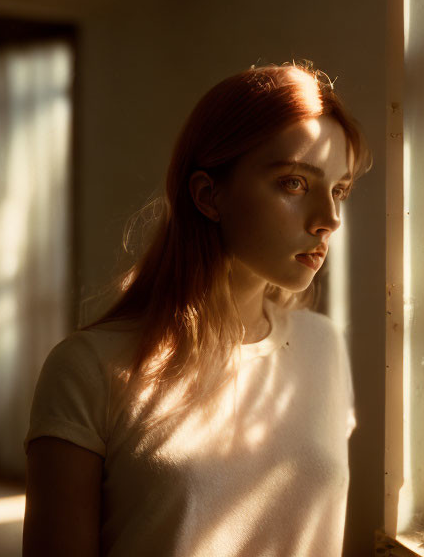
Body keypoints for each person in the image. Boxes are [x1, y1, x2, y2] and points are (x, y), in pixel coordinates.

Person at [23, 62, 369, 557]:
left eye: (339, 190)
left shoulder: (323, 346)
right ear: (209, 195)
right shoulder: (88, 369)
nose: (329, 219)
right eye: (295, 183)